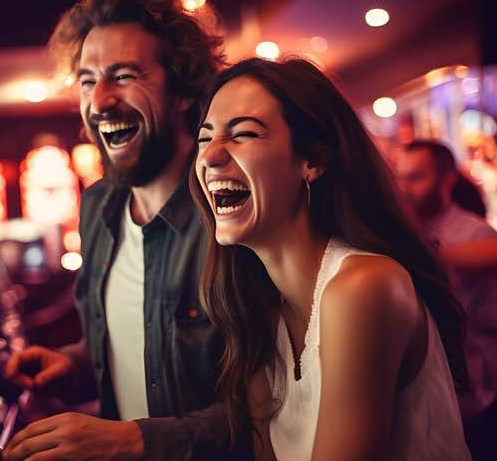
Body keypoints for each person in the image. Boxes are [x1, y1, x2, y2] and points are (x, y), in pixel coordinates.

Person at [1, 0, 241, 461]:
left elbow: (278, 407)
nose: (100, 101)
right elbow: (139, 344)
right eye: (88, 81)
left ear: (181, 90)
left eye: (124, 76)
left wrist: (134, 440)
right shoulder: (98, 207)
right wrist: (75, 364)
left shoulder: (231, 216)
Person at [190, 57, 471, 460]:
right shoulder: (260, 308)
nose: (211, 156)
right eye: (205, 139)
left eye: (244, 134)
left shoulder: (365, 285)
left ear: (313, 161)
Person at [394, 140, 497, 457]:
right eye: (400, 178)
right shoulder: (407, 231)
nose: (404, 188)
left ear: (447, 180)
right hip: (427, 386)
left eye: (416, 178)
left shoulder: (474, 233)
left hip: (466, 383)